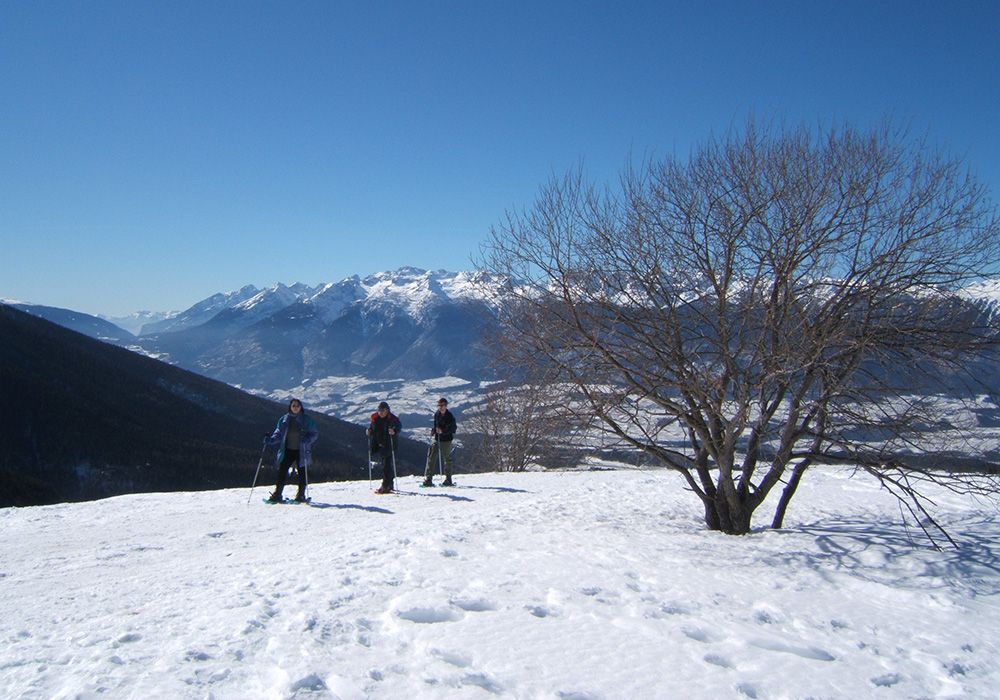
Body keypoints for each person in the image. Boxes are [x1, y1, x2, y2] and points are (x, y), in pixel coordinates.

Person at [264, 398, 318, 503]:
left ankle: (300, 495)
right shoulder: (284, 419)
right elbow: (278, 433)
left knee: (302, 473)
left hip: (301, 450)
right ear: (290, 407)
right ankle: (278, 494)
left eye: (297, 406)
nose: (295, 407)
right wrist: (271, 440)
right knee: (282, 471)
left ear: (301, 407)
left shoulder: (307, 420)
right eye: (293, 405)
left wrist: (307, 440)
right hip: (287, 449)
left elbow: (314, 434)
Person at [367, 401, 401, 494]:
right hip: (380, 444)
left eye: (383, 410)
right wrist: (370, 431)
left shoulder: (392, 419)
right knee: (386, 465)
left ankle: (385, 486)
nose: (381, 412)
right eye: (379, 410)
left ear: (387, 410)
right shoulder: (375, 418)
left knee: (386, 465)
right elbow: (372, 428)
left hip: (389, 444)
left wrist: (394, 431)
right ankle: (389, 484)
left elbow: (399, 427)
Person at [422, 398, 457, 487]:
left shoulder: (450, 416)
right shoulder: (437, 414)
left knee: (446, 459)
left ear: (446, 406)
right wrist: (434, 430)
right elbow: (436, 426)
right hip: (437, 439)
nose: (440, 407)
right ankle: (428, 478)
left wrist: (443, 431)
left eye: (442, 405)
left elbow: (453, 429)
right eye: (439, 405)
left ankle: (448, 479)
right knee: (432, 457)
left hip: (446, 440)